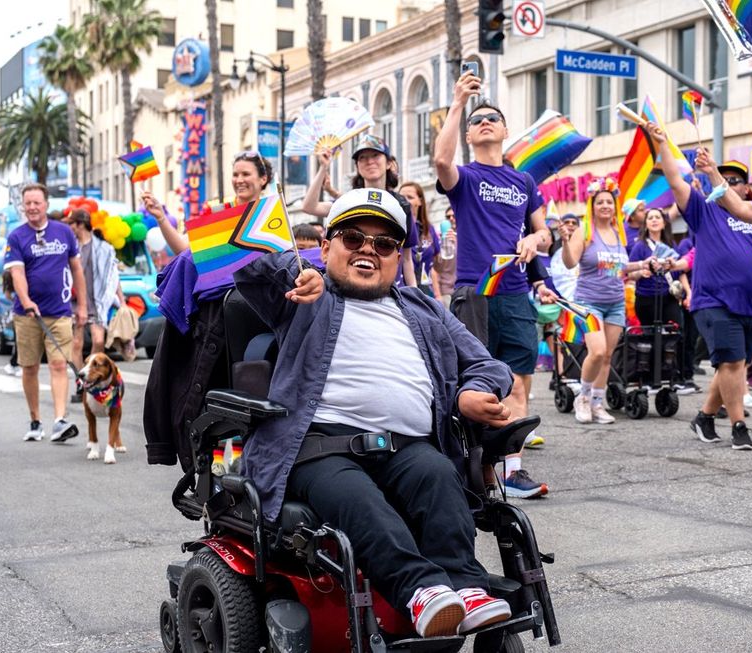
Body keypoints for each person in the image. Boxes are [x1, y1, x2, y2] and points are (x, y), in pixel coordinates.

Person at [235, 188, 514, 638]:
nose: (369, 250)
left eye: (384, 244)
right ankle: (421, 590)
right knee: (358, 500)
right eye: (352, 238)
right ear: (327, 247)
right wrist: (300, 269)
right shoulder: (306, 294)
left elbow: (487, 364)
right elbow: (248, 267)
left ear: (396, 256)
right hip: (320, 449)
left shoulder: (424, 308)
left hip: (408, 447)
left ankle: (465, 587)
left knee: (439, 477)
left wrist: (471, 392)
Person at [143, 152, 325, 468]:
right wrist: (161, 217)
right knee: (221, 393)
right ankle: (218, 461)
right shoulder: (219, 215)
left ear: (263, 179)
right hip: (220, 318)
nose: (240, 180)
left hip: (261, 316)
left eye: (246, 174)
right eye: (235, 173)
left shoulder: (274, 218)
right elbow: (189, 254)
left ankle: (239, 459)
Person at [434, 71, 554, 499]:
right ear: (469, 134)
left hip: (516, 293)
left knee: (519, 381)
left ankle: (511, 470)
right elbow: (441, 163)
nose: (484, 122)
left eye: (492, 118)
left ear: (505, 131)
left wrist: (534, 239)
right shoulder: (464, 177)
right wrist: (458, 103)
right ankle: (477, 467)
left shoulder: (523, 182)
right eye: (477, 120)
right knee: (478, 383)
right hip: (474, 293)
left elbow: (546, 235)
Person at [650, 125, 752, 452]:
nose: (729, 184)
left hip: (751, 306)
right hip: (714, 302)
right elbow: (676, 181)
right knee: (732, 363)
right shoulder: (704, 211)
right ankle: (739, 425)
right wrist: (663, 143)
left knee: (733, 365)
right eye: (725, 179)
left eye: (736, 180)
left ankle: (705, 416)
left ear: (747, 190)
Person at [559, 186, 653, 423]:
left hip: (616, 303)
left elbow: (619, 268)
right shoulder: (585, 232)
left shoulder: (618, 233)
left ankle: (598, 403)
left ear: (615, 207)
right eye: (600, 202)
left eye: (609, 203)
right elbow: (570, 263)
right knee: (597, 351)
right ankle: (583, 397)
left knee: (608, 356)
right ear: (592, 205)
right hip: (588, 302)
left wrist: (642, 265)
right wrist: (565, 242)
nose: (605, 206)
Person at [4, 183, 87, 443]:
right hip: (26, 314)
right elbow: (16, 272)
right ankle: (35, 421)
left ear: (46, 204)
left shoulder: (63, 232)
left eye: (36, 202)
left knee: (59, 364)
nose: (31, 207)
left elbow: (77, 270)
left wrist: (82, 306)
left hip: (60, 311)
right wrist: (26, 300)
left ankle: (60, 421)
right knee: (29, 368)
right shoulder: (16, 237)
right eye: (27, 203)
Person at [302, 135, 418, 287]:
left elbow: (407, 259)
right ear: (357, 166)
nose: (370, 161)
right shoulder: (350, 202)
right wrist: (323, 167)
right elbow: (309, 206)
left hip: (392, 290)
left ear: (389, 163)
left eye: (375, 155)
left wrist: (413, 296)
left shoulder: (402, 205)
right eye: (363, 158)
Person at [67, 209, 120, 397]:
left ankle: (92, 378)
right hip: (76, 301)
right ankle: (80, 383)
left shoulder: (103, 248)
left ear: (80, 224)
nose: (69, 228)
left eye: (71, 224)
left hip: (97, 301)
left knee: (98, 340)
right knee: (76, 343)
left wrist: (121, 300)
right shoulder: (71, 247)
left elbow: (113, 276)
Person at [399, 181, 443, 301]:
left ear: (419, 201)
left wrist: (438, 294)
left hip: (426, 292)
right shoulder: (397, 228)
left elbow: (436, 267)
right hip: (403, 291)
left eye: (410, 197)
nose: (405, 200)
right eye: (401, 197)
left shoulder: (429, 229)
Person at [432, 206, 458, 308]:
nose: (451, 218)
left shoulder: (466, 239)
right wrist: (438, 295)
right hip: (445, 293)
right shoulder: (440, 241)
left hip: (462, 290)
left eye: (454, 215)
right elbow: (434, 270)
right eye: (448, 217)